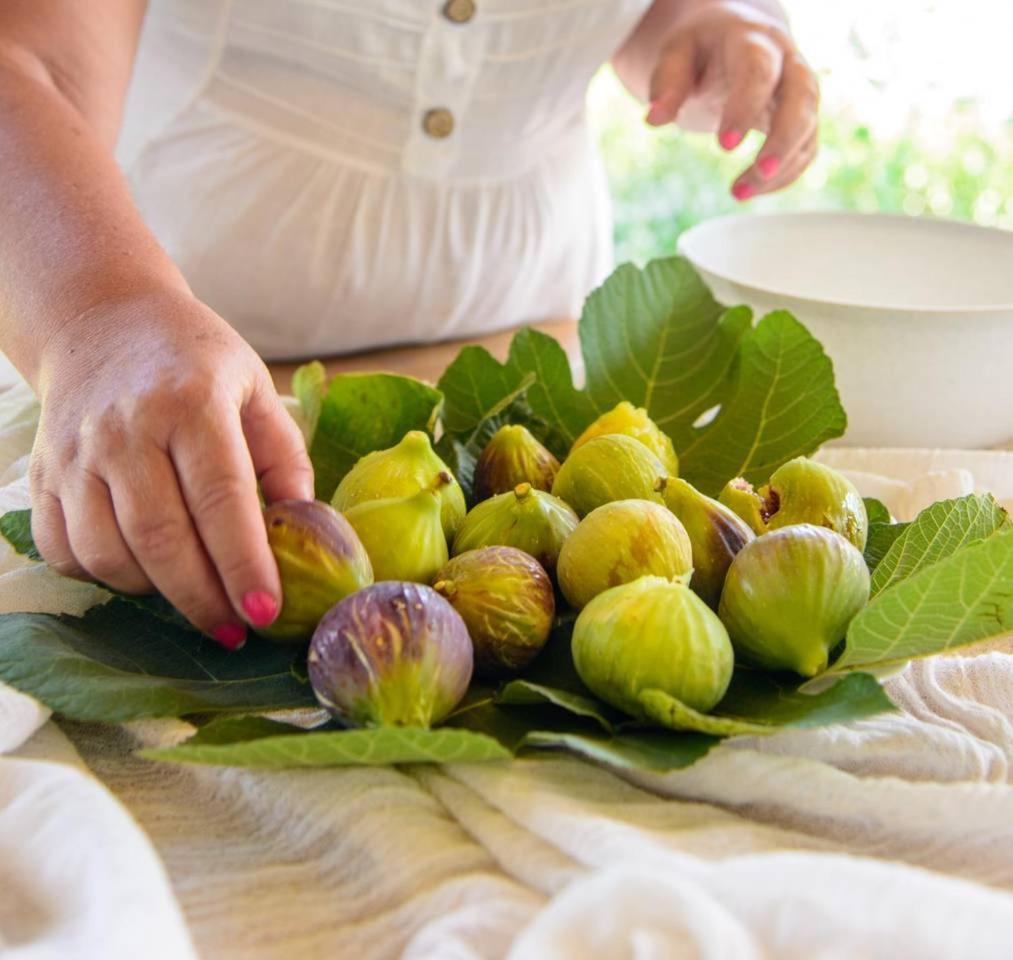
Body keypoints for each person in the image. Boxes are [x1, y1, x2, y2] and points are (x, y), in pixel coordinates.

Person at [0, 1, 818, 647]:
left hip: (528, 350)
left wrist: (702, 21)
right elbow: (24, 59)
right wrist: (105, 314)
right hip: (172, 408)